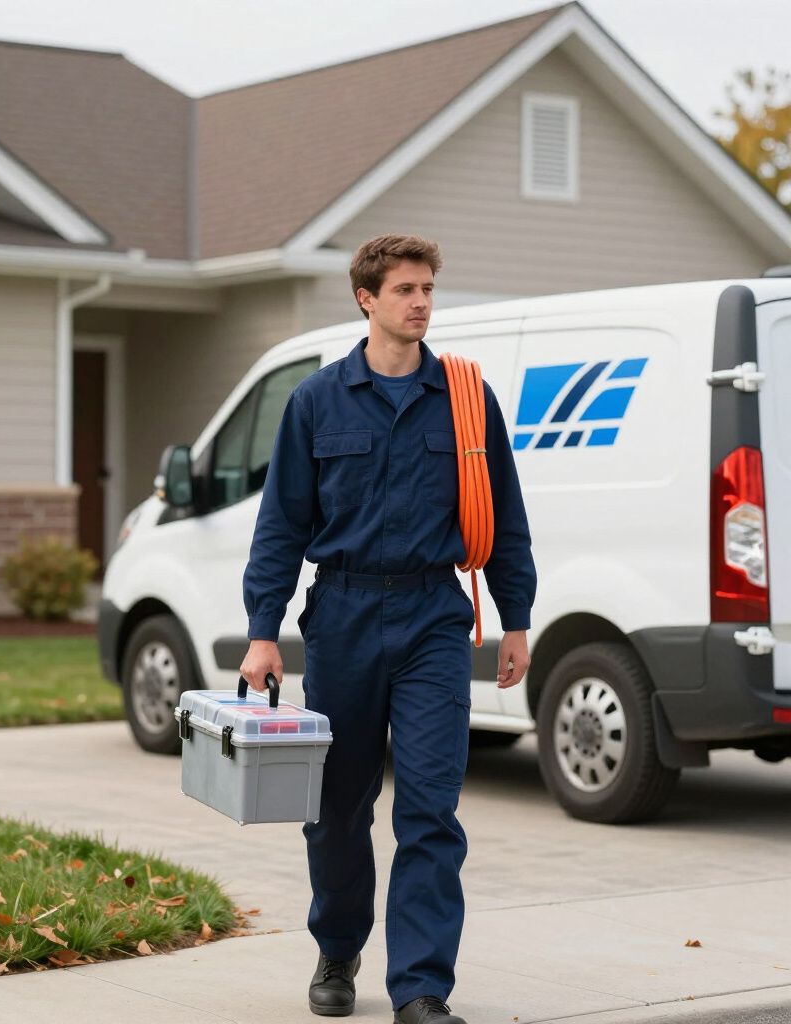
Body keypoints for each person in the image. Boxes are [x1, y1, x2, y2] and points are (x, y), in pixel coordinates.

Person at [240, 234, 537, 1024]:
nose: (422, 303)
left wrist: (517, 619)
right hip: (340, 616)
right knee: (338, 805)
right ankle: (337, 950)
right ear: (366, 299)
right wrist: (262, 629)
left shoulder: (467, 398)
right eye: (406, 289)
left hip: (436, 617)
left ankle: (422, 988)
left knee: (432, 808)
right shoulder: (316, 401)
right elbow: (281, 526)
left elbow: (505, 517)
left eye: (430, 289)